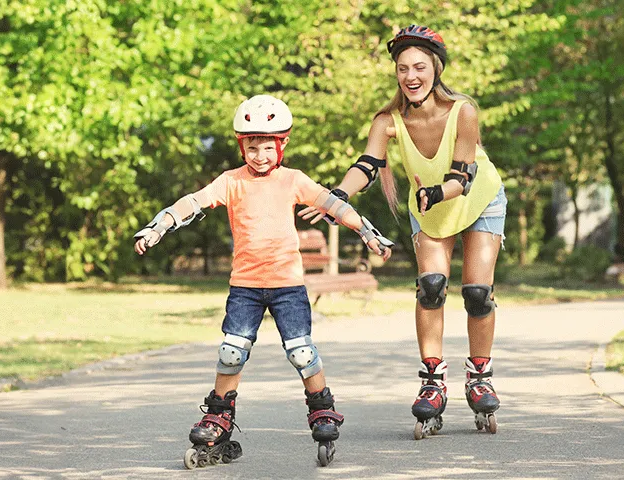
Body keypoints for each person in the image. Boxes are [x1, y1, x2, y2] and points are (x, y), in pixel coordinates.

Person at [133, 94, 394, 467]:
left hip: (288, 285)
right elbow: (193, 202)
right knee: (231, 351)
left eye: (267, 147)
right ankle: (219, 416)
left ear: (281, 145)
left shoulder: (293, 180)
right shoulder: (231, 181)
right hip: (246, 286)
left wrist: (368, 232)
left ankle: (323, 409)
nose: (260, 155)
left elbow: (333, 205)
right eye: (252, 147)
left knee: (301, 352)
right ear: (243, 147)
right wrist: (159, 226)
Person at [300, 25, 507, 437]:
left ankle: (479, 376)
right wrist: (335, 197)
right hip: (430, 209)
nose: (411, 76)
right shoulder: (388, 120)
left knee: (477, 294)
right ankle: (433, 382)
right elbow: (366, 167)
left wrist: (435, 190)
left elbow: (462, 177)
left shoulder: (463, 110)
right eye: (402, 68)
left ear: (436, 68)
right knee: (431, 287)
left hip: (478, 200)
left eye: (419, 67)